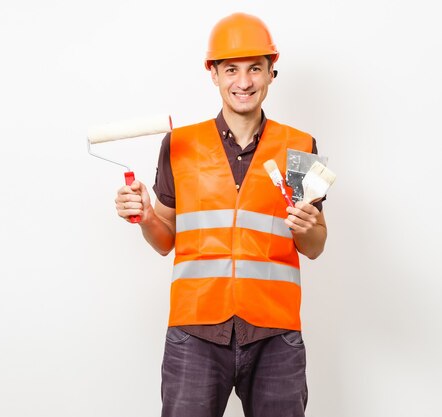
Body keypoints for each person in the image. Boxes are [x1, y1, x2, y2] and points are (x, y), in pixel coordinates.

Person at [114, 12, 327, 417]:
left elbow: (315, 246)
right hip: (194, 334)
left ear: (271, 73)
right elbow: (164, 241)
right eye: (231, 69)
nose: (243, 82)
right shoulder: (179, 144)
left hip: (275, 336)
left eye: (255, 69)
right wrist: (144, 216)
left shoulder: (301, 146)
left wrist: (310, 227)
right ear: (213, 74)